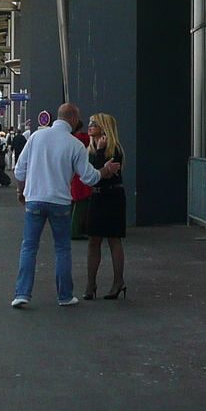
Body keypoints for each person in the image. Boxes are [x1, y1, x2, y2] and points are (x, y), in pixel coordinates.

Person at [12, 103, 120, 308]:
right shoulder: (75, 145)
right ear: (73, 120)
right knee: (61, 248)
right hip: (60, 202)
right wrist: (105, 170)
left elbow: (19, 170)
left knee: (29, 247)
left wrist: (21, 192)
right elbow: (89, 177)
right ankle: (64, 296)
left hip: (34, 199)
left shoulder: (36, 137)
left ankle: (22, 294)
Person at [81, 113, 128, 301]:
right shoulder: (89, 150)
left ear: (104, 128)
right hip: (97, 196)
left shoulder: (113, 148)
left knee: (113, 239)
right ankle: (90, 284)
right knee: (93, 240)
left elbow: (103, 174)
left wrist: (101, 154)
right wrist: (102, 167)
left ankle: (118, 282)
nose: (90, 126)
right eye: (90, 123)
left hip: (112, 196)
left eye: (94, 124)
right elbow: (94, 173)